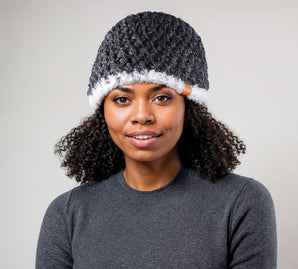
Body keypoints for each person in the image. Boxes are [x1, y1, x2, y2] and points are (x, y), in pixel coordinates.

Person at [36, 11, 277, 268]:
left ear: (189, 107)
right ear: (102, 111)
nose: (142, 116)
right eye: (122, 99)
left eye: (161, 97)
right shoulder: (67, 214)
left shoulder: (241, 203)